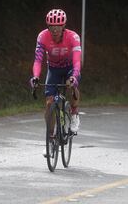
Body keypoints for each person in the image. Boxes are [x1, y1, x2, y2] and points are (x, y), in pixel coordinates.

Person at [29, 9, 82, 156]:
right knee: (49, 104)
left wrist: (74, 77)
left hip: (71, 68)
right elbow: (38, 60)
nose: (54, 29)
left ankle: (74, 113)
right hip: (54, 70)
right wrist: (35, 77)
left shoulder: (73, 37)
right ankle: (51, 139)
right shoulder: (42, 36)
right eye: (51, 26)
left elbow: (77, 61)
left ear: (63, 26)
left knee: (72, 85)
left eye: (58, 26)